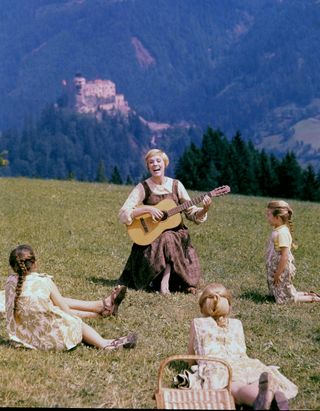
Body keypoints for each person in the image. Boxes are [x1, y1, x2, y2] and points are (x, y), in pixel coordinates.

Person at [176, 283, 298, 410]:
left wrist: (191, 365)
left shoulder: (198, 323)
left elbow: (191, 355)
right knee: (254, 381)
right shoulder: (237, 324)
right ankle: (272, 396)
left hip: (219, 368)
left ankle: (259, 400)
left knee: (235, 389)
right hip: (247, 364)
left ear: (202, 307)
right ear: (228, 306)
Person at [5, 244, 138, 351]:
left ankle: (103, 308)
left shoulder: (10, 282)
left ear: (13, 266)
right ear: (35, 263)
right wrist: (77, 320)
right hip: (52, 342)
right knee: (76, 322)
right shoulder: (45, 281)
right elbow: (66, 312)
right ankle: (105, 344)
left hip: (23, 339)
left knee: (50, 304)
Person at [117, 148, 212, 295]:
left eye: (158, 161)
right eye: (151, 162)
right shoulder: (143, 187)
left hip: (176, 234)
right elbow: (124, 213)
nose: (155, 164)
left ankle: (165, 281)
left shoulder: (176, 185)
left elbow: (191, 212)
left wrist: (204, 209)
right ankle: (162, 281)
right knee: (165, 238)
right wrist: (147, 210)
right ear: (148, 167)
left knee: (168, 237)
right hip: (151, 236)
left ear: (165, 164)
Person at [266, 200, 320, 304]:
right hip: (276, 264)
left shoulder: (282, 233)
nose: (267, 217)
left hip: (281, 267)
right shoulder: (278, 229)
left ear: (277, 218)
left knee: (286, 298)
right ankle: (305, 294)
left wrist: (278, 273)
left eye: (269, 215)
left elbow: (284, 256)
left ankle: (314, 299)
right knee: (282, 289)